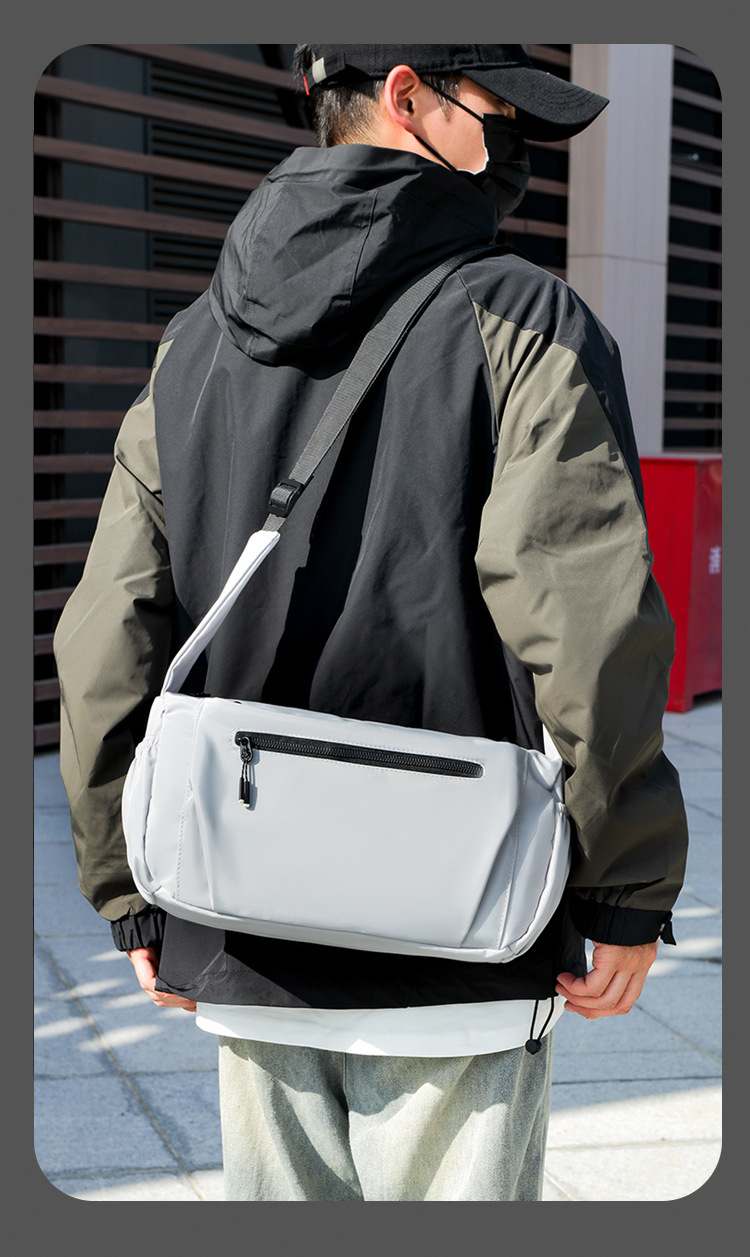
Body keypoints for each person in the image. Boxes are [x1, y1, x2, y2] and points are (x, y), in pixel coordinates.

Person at [54, 44, 688, 1201]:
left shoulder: (193, 343)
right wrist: (626, 884)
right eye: (499, 111)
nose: (516, 149)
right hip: (459, 919)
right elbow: (588, 627)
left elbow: (108, 633)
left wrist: (127, 889)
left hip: (242, 909)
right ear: (407, 95)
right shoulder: (526, 319)